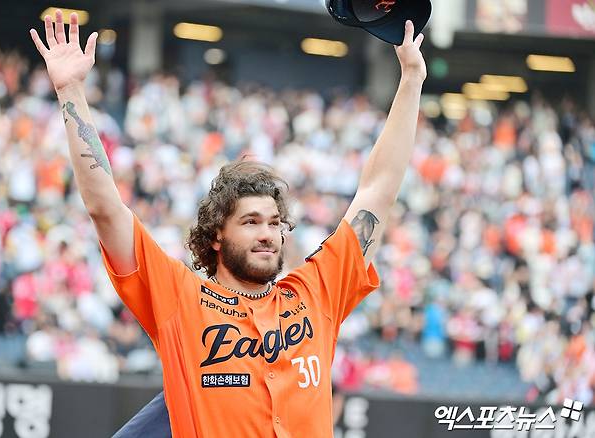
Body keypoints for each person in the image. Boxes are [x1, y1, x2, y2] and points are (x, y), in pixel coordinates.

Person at [29, 9, 426, 438]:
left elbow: (378, 191)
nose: (267, 234)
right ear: (217, 234)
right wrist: (70, 90)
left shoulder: (316, 293)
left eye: (274, 223)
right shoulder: (179, 299)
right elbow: (105, 208)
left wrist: (411, 80)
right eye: (251, 222)